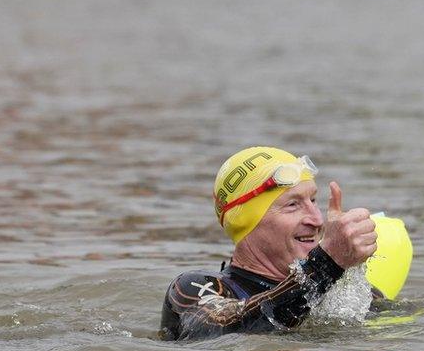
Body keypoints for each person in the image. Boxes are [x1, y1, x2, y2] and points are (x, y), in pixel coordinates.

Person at [159, 146, 378, 340]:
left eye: (313, 200)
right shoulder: (195, 287)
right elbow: (222, 332)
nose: (317, 219)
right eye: (292, 205)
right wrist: (327, 262)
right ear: (247, 221)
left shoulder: (346, 295)